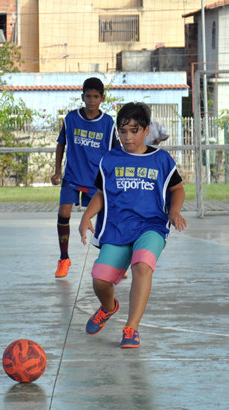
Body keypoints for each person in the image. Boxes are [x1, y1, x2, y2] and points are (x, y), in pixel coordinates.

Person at [79, 102, 186, 349]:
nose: (127, 137)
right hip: (117, 229)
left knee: (142, 265)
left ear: (146, 130)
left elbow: (177, 188)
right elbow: (102, 193)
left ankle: (131, 328)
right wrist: (87, 216)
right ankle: (108, 307)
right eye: (123, 131)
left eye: (134, 131)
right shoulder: (110, 159)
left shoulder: (161, 159)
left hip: (151, 226)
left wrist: (175, 211)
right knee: (100, 280)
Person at [50, 77, 120, 278]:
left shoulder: (107, 123)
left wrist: (112, 177)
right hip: (72, 176)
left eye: (96, 96)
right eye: (88, 96)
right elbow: (61, 144)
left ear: (102, 98)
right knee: (64, 214)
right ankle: (64, 259)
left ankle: (113, 261)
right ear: (82, 97)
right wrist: (57, 170)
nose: (91, 100)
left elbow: (115, 152)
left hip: (96, 180)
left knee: (107, 218)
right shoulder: (71, 119)